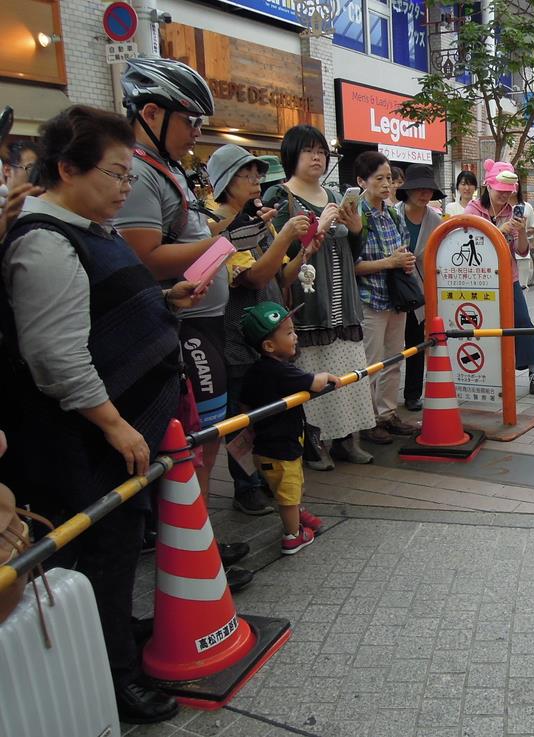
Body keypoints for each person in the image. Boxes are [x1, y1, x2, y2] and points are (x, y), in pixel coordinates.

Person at [0, 105, 205, 724]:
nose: (124, 189)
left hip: (113, 434)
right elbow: (56, 357)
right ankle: (114, 676)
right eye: (114, 175)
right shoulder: (44, 241)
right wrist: (114, 423)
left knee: (115, 549)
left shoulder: (89, 226)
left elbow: (100, 304)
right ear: (68, 168)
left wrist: (163, 297)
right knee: (95, 552)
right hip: (79, 443)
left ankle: (114, 633)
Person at [114, 57, 253, 592]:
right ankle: (192, 555)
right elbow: (145, 255)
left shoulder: (165, 167)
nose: (196, 133)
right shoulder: (141, 170)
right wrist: (221, 243)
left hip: (204, 322)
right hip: (184, 327)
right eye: (190, 120)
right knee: (193, 442)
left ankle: (198, 540)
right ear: (151, 112)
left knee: (204, 439)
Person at [207, 144, 314, 515]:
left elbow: (282, 274)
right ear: (224, 180)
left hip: (268, 333)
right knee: (239, 417)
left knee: (269, 413)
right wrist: (284, 234)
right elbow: (252, 277)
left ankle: (266, 479)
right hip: (236, 336)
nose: (255, 182)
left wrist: (304, 249)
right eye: (246, 175)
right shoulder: (213, 221)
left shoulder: (259, 218)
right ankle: (245, 486)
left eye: (256, 174)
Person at [263, 125, 377, 466]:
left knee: (347, 370)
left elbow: (352, 251)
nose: (317, 157)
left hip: (344, 301)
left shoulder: (333, 194)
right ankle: (312, 442)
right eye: (308, 151)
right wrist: (321, 225)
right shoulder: (278, 199)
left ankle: (346, 438)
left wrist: (356, 228)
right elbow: (279, 256)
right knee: (309, 370)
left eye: (320, 151)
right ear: (291, 156)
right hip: (308, 301)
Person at [240, 302, 339, 554]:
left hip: (264, 447)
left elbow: (243, 404)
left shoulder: (254, 371)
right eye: (289, 333)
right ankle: (293, 535)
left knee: (290, 487)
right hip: (281, 448)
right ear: (269, 346)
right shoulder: (281, 372)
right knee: (288, 493)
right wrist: (328, 375)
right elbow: (315, 383)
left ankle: (297, 514)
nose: (295, 337)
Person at [353, 151, 419, 444]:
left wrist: (405, 260)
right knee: (371, 362)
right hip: (371, 299)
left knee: (394, 358)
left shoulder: (392, 213)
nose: (386, 184)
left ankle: (387, 414)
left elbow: (403, 250)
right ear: (361, 181)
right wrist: (389, 262)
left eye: (389, 178)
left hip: (396, 298)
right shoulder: (356, 216)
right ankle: (366, 421)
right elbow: (352, 266)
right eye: (378, 178)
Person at [465, 159, 534, 394]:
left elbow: (521, 251)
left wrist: (520, 231)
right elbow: (472, 244)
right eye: (500, 191)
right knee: (485, 326)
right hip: (480, 280)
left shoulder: (514, 212)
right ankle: (490, 375)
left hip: (508, 277)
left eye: (508, 192)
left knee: (522, 321)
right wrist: (500, 230)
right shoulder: (473, 210)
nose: (503, 196)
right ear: (488, 187)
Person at [394, 163, 444, 411]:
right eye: (418, 189)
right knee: (391, 348)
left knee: (416, 344)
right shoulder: (392, 214)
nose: (424, 194)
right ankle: (382, 401)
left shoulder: (436, 220)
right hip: (392, 290)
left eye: (428, 189)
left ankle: (412, 394)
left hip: (421, 292)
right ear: (407, 190)